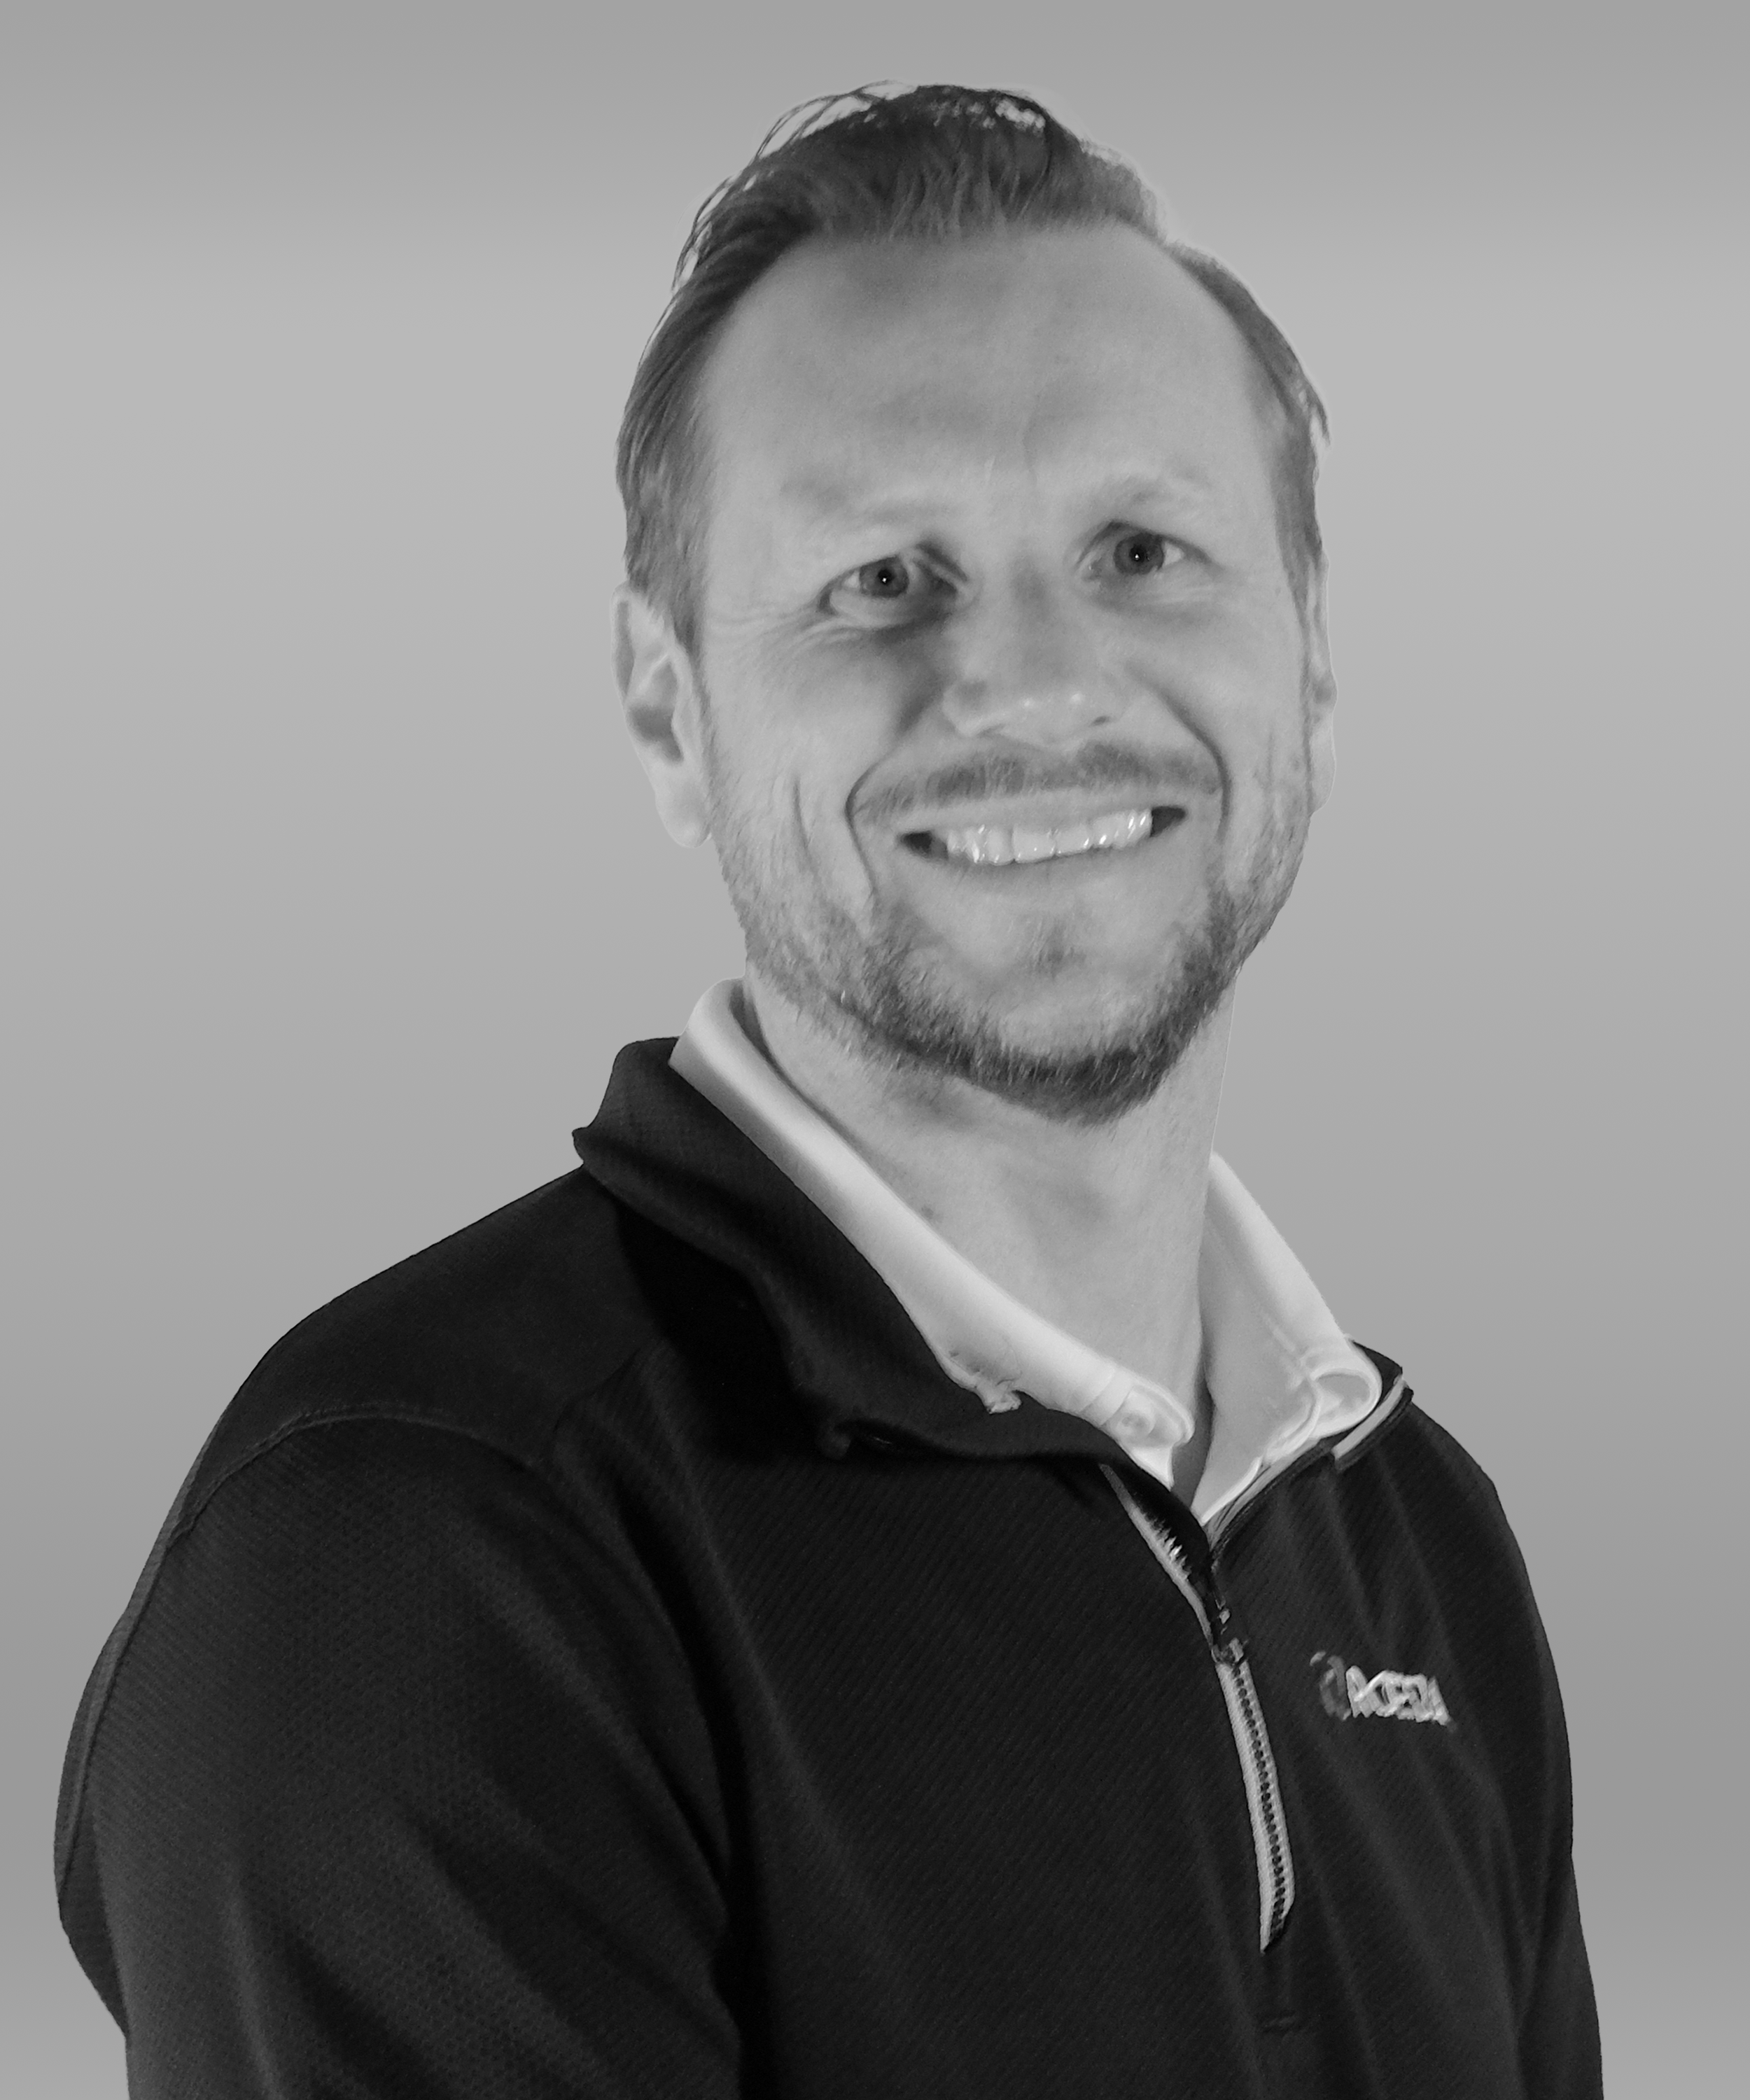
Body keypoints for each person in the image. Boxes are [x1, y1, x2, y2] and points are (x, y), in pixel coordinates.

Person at [55, 84, 1602, 2099]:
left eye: (1141, 549)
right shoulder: (426, 1548)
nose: (1034, 684)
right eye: (882, 579)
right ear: (668, 706)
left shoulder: (1413, 1537)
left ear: (1308, 654)